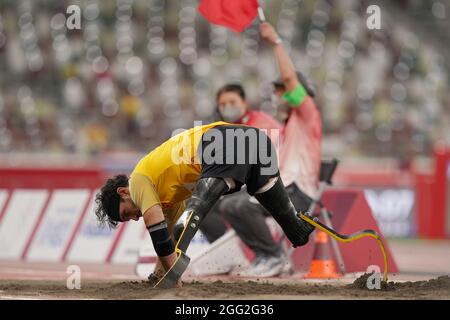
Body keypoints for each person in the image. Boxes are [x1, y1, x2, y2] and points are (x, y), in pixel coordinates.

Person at [94, 121, 315, 287]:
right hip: (256, 141)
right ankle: (298, 227)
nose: (135, 217)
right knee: (294, 230)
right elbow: (168, 240)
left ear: (123, 191)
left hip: (222, 142)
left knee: (190, 217)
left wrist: (172, 279)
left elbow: (159, 233)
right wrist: (157, 275)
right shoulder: (165, 198)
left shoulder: (138, 180)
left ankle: (189, 224)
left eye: (127, 213)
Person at [199, 21, 322, 277]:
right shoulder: (290, 124)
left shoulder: (308, 114)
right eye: (276, 91)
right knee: (229, 205)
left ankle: (274, 256)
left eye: (281, 91)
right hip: (284, 187)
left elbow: (289, 77)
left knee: (241, 206)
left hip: (297, 193)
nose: (277, 96)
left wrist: (275, 41)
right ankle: (263, 256)